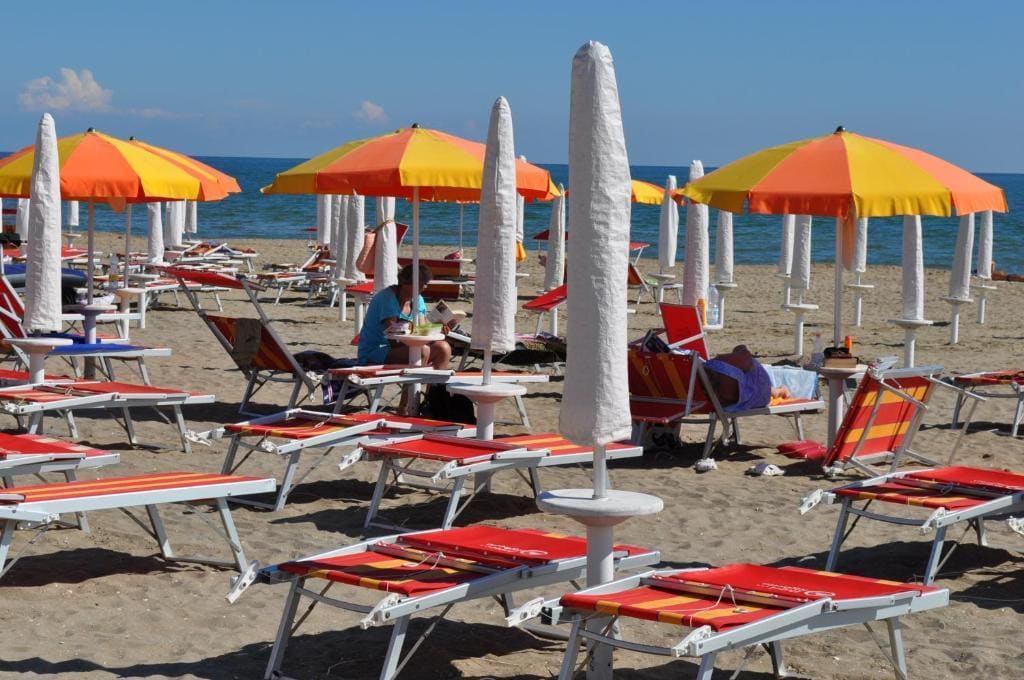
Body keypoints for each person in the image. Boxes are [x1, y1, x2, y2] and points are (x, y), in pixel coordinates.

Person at [357, 263, 452, 370]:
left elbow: (421, 327)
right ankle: (415, 381)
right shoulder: (386, 298)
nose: (424, 287)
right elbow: (393, 337)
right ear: (406, 282)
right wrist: (420, 334)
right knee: (422, 350)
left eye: (426, 283)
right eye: (421, 283)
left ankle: (435, 381)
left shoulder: (418, 299)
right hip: (376, 350)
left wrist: (437, 328)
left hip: (404, 346)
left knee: (443, 348)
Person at [704, 345, 789, 411]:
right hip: (749, 392)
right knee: (757, 385)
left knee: (754, 384)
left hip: (731, 398)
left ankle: (778, 391)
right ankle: (779, 391)